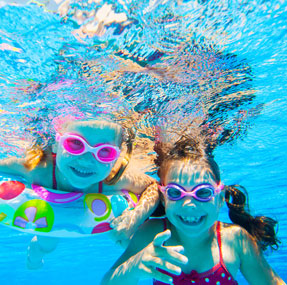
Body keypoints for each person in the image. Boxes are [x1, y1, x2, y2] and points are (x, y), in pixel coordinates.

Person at [101, 135, 284, 284]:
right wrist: (135, 265)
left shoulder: (235, 239)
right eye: (175, 192)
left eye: (203, 193)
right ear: (163, 199)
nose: (189, 204)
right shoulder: (153, 233)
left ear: (220, 199)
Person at [0, 115, 159, 269]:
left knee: (125, 240)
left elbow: (152, 187)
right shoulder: (37, 168)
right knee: (46, 244)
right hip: (48, 210)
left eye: (105, 151)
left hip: (100, 214)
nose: (86, 161)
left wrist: (135, 218)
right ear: (56, 145)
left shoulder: (114, 179)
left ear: (116, 157)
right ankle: (35, 255)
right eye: (75, 144)